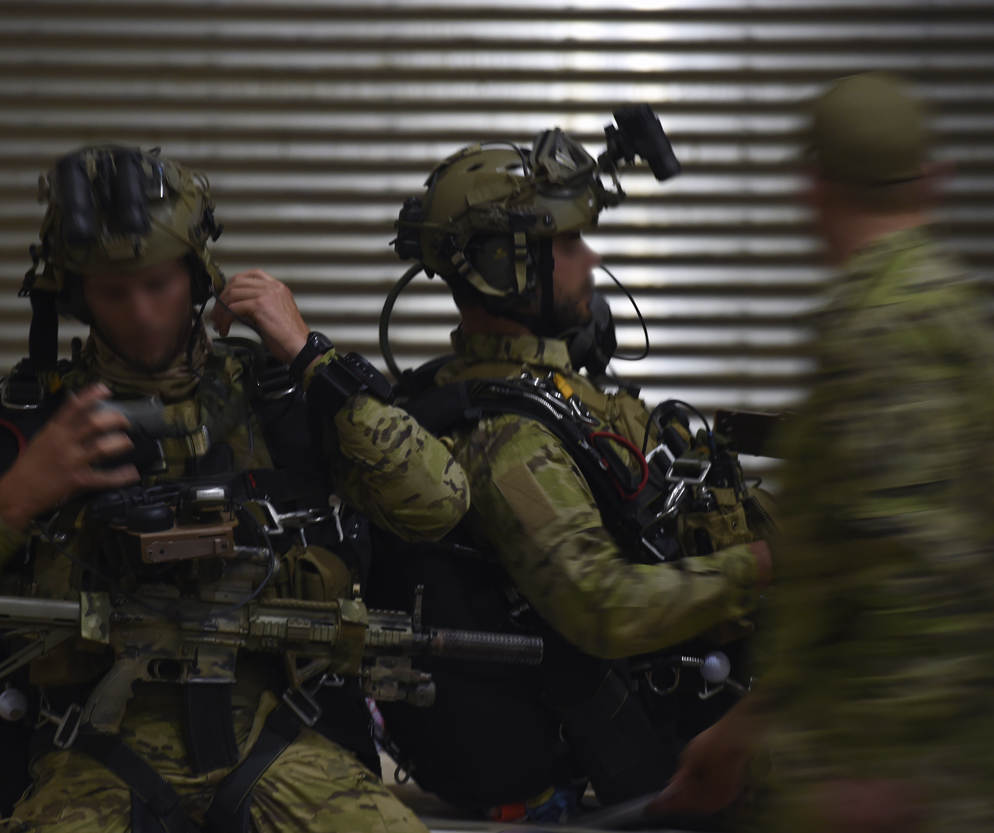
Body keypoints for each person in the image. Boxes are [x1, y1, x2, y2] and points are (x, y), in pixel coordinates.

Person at [0, 145, 471, 833]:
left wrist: (311, 354)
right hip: (90, 756)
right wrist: (14, 499)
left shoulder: (275, 394)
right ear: (75, 294)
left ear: (197, 273)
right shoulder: (31, 418)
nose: (144, 313)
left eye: (160, 284)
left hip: (282, 741)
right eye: (114, 292)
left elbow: (439, 503)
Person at [368, 115, 774, 820]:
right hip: (654, 761)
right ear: (507, 266)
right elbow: (603, 605)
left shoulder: (555, 393)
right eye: (568, 243)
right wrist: (764, 567)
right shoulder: (507, 439)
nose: (589, 259)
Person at [650, 72, 994, 832]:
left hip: (885, 771)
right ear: (933, 181)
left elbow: (907, 567)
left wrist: (877, 775)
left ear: (814, 189)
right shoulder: (958, 312)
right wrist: (740, 737)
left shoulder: (879, 333)